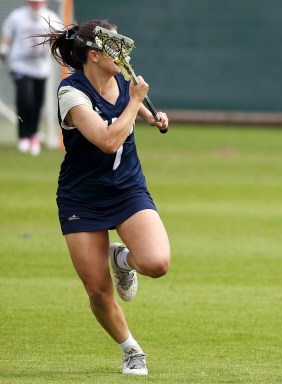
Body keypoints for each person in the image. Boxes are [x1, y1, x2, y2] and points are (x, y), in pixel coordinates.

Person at [36, 20, 170, 375]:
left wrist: (153, 117)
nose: (121, 54)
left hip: (127, 188)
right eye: (113, 48)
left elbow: (131, 104)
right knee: (98, 290)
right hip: (81, 198)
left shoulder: (121, 81)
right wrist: (136, 100)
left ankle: (123, 260)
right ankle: (132, 350)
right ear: (94, 55)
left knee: (157, 263)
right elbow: (108, 139)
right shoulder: (71, 93)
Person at [0, 0, 61, 155]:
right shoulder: (17, 16)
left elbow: (59, 40)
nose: (36, 6)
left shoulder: (51, 17)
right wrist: (4, 50)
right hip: (20, 66)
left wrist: (58, 51)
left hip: (41, 68)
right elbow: (6, 36)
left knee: (36, 103)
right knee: (25, 99)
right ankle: (23, 136)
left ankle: (33, 134)